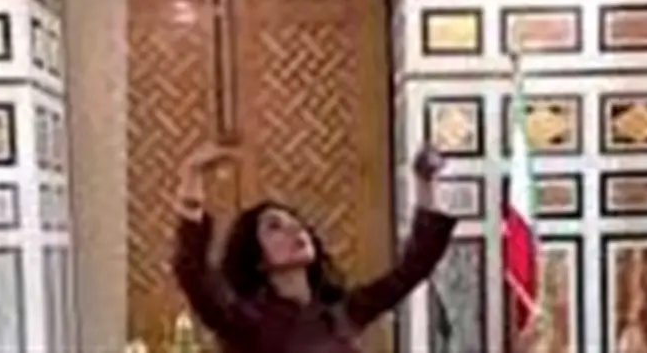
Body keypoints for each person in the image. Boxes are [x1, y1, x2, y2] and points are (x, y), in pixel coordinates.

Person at [172, 143, 457, 352]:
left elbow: (412, 269)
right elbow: (192, 272)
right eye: (275, 227)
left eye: (296, 222)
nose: (295, 230)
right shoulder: (247, 322)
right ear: (257, 259)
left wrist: (424, 183)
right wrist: (192, 175)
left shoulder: (341, 312)